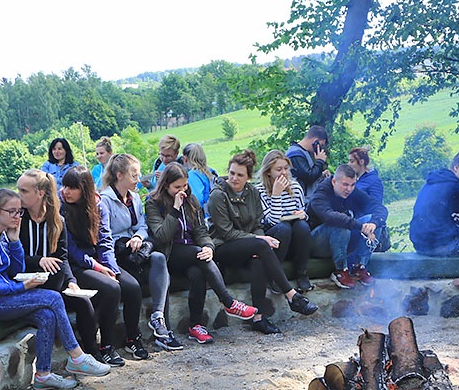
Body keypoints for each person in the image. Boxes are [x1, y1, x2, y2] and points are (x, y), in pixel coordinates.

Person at [0, 188, 111, 390]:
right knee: (53, 298)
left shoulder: (2, 235)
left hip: (0, 297)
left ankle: (43, 375)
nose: (17, 216)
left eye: (19, 211)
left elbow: (16, 269)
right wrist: (21, 287)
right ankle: (77, 357)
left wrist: (14, 241)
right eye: (11, 211)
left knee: (47, 315)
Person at [16, 169, 122, 365]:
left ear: (40, 193)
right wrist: (37, 260)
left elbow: (62, 258)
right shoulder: (17, 219)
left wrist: (72, 282)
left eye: (24, 191)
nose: (18, 195)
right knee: (55, 304)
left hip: (50, 283)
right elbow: (11, 258)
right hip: (22, 285)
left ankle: (93, 355)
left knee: (83, 303)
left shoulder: (56, 221)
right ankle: (78, 359)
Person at [145, 162, 258, 344]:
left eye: (185, 185)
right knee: (198, 254)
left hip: (192, 254)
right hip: (169, 253)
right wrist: (174, 209)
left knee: (198, 271)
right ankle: (228, 302)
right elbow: (162, 236)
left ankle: (195, 326)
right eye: (177, 187)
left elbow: (201, 232)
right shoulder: (153, 202)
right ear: (166, 185)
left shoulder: (192, 201)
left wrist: (208, 247)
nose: (182, 190)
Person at [207, 150, 318, 335]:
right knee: (261, 245)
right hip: (222, 247)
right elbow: (226, 232)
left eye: (240, 175)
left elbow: (257, 225)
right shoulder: (218, 195)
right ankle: (292, 296)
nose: (234, 178)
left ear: (248, 177)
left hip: (247, 245)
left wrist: (258, 238)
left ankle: (259, 318)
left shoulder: (251, 192)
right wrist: (258, 239)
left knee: (259, 258)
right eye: (232, 173)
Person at [61, 165, 148, 361]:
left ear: (84, 189)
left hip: (100, 260)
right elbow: (71, 250)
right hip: (79, 266)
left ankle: (133, 338)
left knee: (132, 287)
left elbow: (105, 241)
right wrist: (99, 268)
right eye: (65, 186)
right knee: (111, 289)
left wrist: (111, 269)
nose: (67, 191)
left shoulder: (98, 206)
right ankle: (106, 346)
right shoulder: (63, 210)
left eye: (72, 188)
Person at [100, 154, 183, 351]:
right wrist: (126, 241)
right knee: (137, 284)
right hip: (117, 253)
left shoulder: (135, 198)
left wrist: (137, 237)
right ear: (119, 176)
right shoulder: (105, 200)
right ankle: (136, 337)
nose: (139, 179)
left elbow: (142, 225)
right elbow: (104, 234)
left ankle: (158, 318)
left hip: (136, 249)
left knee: (159, 259)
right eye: (134, 175)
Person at [308, 164, 388, 289]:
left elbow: (379, 208)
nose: (349, 189)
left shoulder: (352, 192)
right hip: (317, 244)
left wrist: (374, 223)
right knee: (340, 224)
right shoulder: (320, 193)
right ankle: (341, 270)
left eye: (352, 185)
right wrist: (360, 226)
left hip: (343, 241)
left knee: (371, 219)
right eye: (345, 185)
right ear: (334, 181)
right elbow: (330, 216)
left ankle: (359, 267)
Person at [255, 150, 313, 293]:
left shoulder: (295, 187)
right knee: (283, 227)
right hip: (275, 237)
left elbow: (302, 212)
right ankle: (275, 276)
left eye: (286, 169)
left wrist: (302, 215)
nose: (284, 173)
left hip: (295, 239)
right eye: (279, 169)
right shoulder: (259, 191)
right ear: (269, 171)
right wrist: (276, 194)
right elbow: (272, 221)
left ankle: (302, 273)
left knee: (303, 226)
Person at [286, 125, 329, 198]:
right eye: (321, 145)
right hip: (300, 199)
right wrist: (320, 161)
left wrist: (321, 175)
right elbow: (308, 177)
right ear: (316, 142)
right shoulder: (295, 155)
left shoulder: (305, 153)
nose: (321, 148)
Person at [182, 142, 215, 209]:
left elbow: (197, 199)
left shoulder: (192, 175)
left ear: (185, 159)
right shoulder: (211, 172)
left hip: (204, 215)